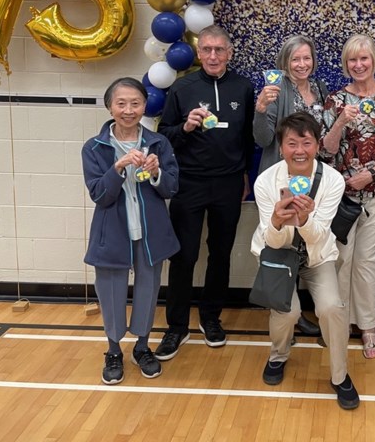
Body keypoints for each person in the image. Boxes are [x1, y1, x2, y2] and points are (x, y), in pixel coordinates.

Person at [155, 24, 255, 357]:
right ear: (199, 53)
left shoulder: (243, 88)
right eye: (207, 50)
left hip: (228, 184)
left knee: (221, 253)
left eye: (220, 50)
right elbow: (164, 135)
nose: (213, 56)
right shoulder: (182, 88)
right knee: (184, 256)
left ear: (229, 52)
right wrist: (185, 126)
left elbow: (248, 139)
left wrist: (244, 176)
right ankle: (176, 327)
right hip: (189, 183)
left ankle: (211, 317)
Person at [250, 112, 359, 409]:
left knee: (331, 308)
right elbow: (271, 242)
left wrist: (304, 219)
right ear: (281, 146)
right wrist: (275, 221)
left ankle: (339, 375)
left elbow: (318, 236)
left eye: (306, 143)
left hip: (316, 255)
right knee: (286, 311)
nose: (299, 151)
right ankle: (278, 356)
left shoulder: (332, 180)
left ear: (317, 144)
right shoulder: (265, 182)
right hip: (277, 254)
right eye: (292, 144)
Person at [82, 77, 181, 385]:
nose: (128, 110)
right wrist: (117, 167)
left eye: (135, 103)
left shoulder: (158, 143)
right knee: (110, 293)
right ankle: (113, 351)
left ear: (144, 106)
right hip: (111, 234)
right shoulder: (94, 148)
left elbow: (172, 187)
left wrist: (156, 173)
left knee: (148, 292)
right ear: (110, 106)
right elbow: (99, 194)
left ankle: (142, 347)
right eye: (121, 103)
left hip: (151, 235)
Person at [321, 34, 375, 359]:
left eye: (364, 59)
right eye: (352, 60)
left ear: (374, 61)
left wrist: (370, 175)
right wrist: (342, 119)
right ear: (346, 64)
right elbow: (326, 151)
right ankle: (339, 323)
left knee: (367, 261)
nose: (358, 65)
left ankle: (368, 326)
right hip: (341, 196)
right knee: (341, 259)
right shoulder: (335, 100)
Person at [253, 34, 329, 338]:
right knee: (282, 242)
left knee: (304, 244)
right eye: (295, 59)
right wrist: (260, 108)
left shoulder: (321, 89)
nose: (302, 64)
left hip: (313, 179)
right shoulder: (275, 90)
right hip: (282, 178)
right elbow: (262, 139)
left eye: (306, 58)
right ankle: (284, 312)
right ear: (285, 62)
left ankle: (294, 310)